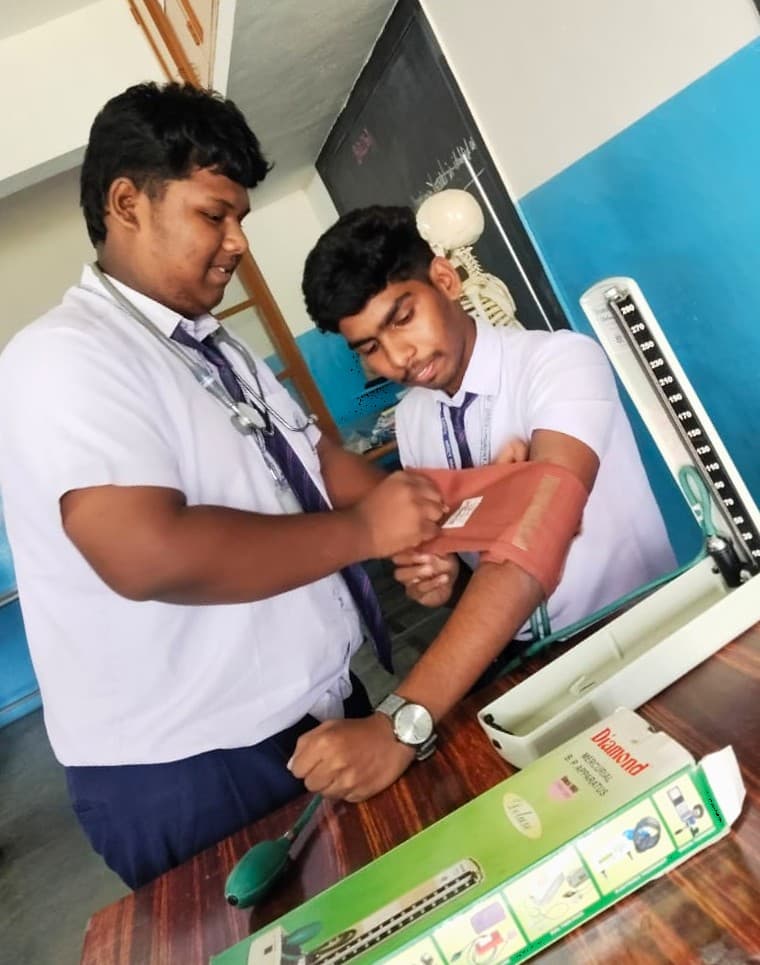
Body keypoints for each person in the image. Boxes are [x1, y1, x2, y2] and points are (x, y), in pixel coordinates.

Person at [0, 87, 447, 889]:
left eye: (241, 216)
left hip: (314, 713)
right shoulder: (63, 359)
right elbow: (147, 553)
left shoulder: (214, 347)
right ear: (127, 202)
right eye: (216, 214)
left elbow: (314, 461)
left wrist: (419, 513)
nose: (239, 242)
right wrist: (366, 533)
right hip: (194, 766)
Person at [295, 204, 676, 798]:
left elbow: (539, 530)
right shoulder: (416, 416)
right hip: (524, 659)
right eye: (369, 346)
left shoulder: (559, 362)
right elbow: (460, 539)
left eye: (403, 317)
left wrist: (403, 722)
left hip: (634, 628)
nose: (396, 358)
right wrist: (439, 568)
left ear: (444, 281)